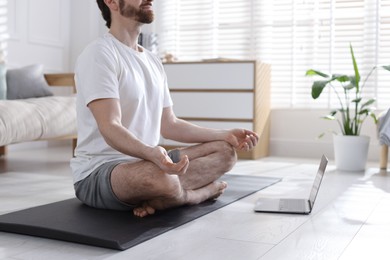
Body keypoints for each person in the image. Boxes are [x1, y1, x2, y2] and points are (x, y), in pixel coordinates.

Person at [70, 0, 259, 218]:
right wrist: (152, 154)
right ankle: (193, 195)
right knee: (159, 178)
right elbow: (110, 126)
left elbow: (170, 124)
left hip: (150, 161)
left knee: (225, 152)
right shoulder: (99, 53)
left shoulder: (152, 60)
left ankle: (165, 195)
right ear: (111, 2)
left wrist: (224, 134)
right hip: (100, 172)